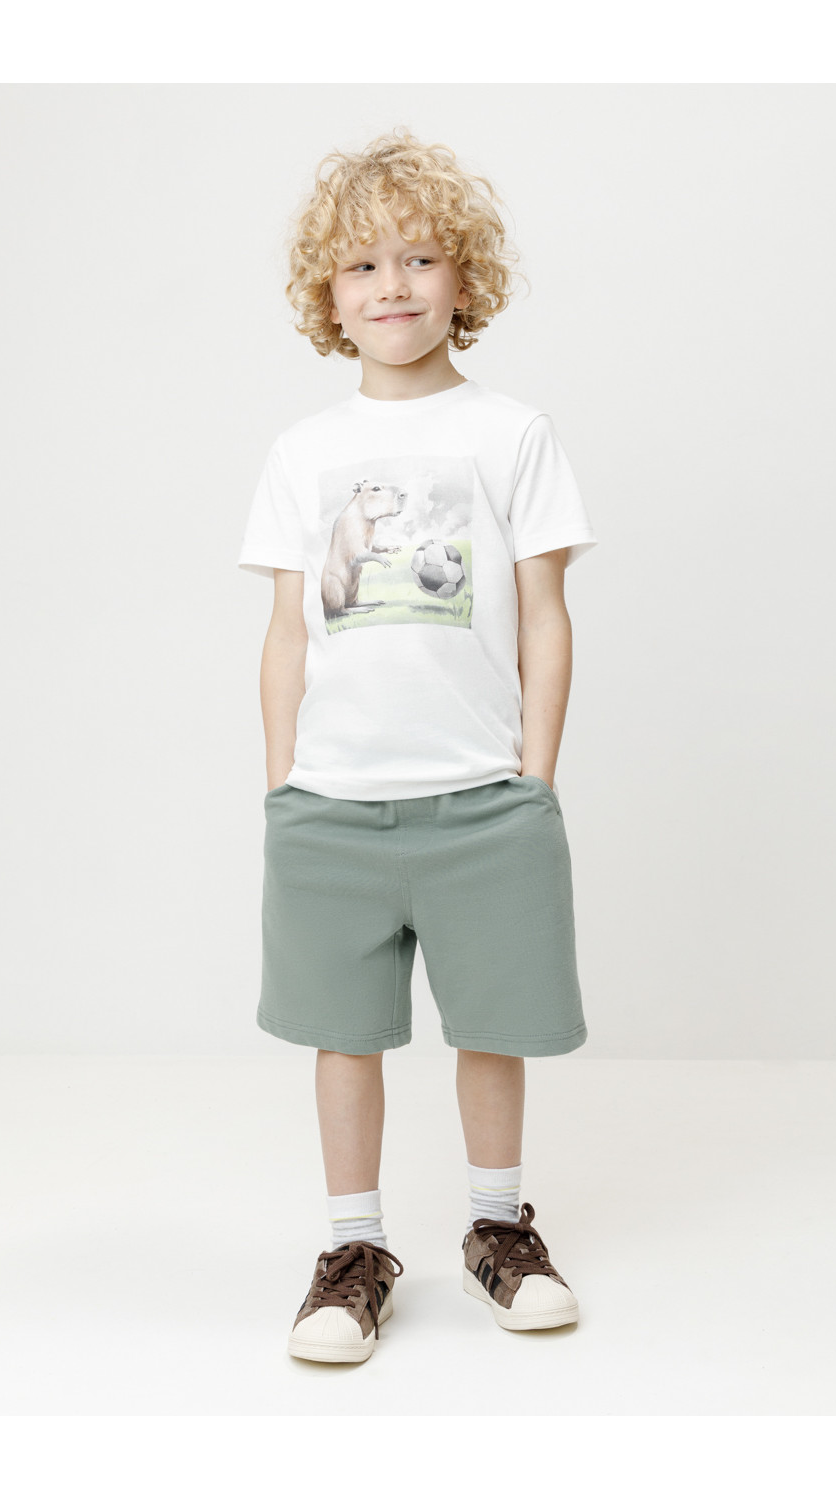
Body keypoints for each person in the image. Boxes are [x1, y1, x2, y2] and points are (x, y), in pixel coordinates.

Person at [237, 128, 598, 1363]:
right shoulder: (302, 454)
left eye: (418, 257)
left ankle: (499, 1228)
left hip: (482, 798)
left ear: (463, 278)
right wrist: (283, 785)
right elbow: (286, 631)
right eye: (361, 266)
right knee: (347, 1033)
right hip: (332, 803)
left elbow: (544, 616)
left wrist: (533, 778)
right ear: (328, 296)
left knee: (490, 1023)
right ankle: (353, 1253)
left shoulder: (511, 434)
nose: (391, 285)